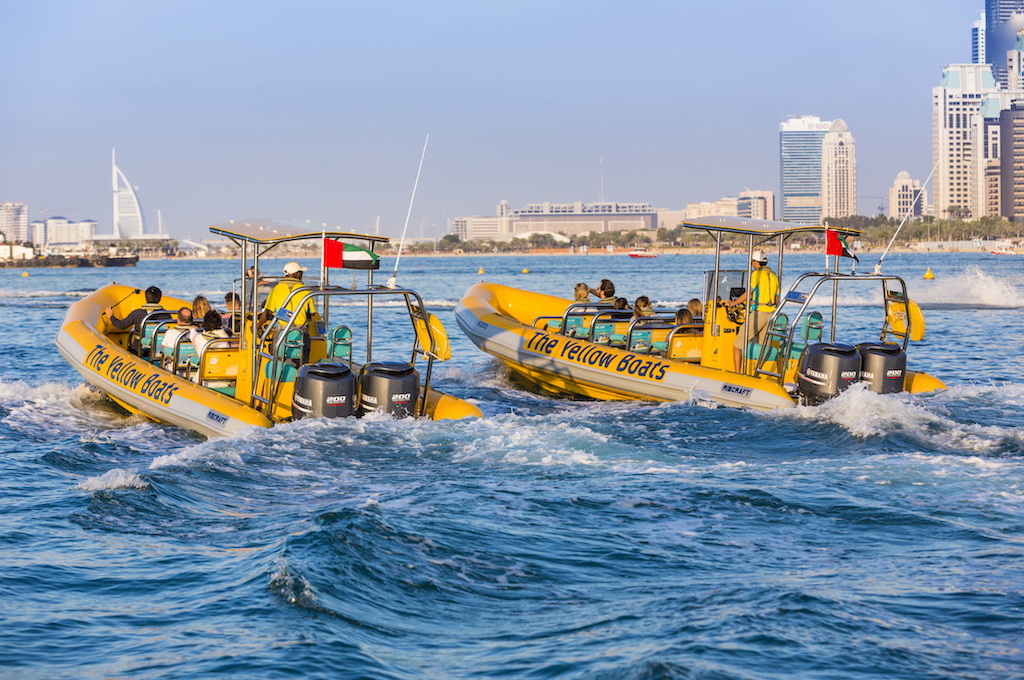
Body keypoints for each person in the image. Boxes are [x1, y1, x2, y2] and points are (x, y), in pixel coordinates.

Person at [725, 249, 779, 372]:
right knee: (762, 346)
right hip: (771, 314)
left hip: (759, 313)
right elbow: (777, 298)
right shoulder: (774, 276)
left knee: (738, 344)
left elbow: (747, 294)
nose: (751, 264)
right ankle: (759, 373)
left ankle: (738, 374)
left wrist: (733, 303)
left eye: (752, 261)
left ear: (756, 262)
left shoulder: (756, 275)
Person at [106, 285, 165, 355]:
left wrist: (111, 316)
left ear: (146, 298)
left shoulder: (137, 313)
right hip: (156, 349)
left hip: (138, 349)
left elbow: (121, 325)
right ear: (160, 298)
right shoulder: (166, 315)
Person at [259, 261, 318, 329]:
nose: (302, 274)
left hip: (282, 329)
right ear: (296, 274)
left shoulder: (277, 289)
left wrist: (258, 326)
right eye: (301, 272)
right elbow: (312, 313)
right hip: (301, 329)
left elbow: (268, 312)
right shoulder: (304, 289)